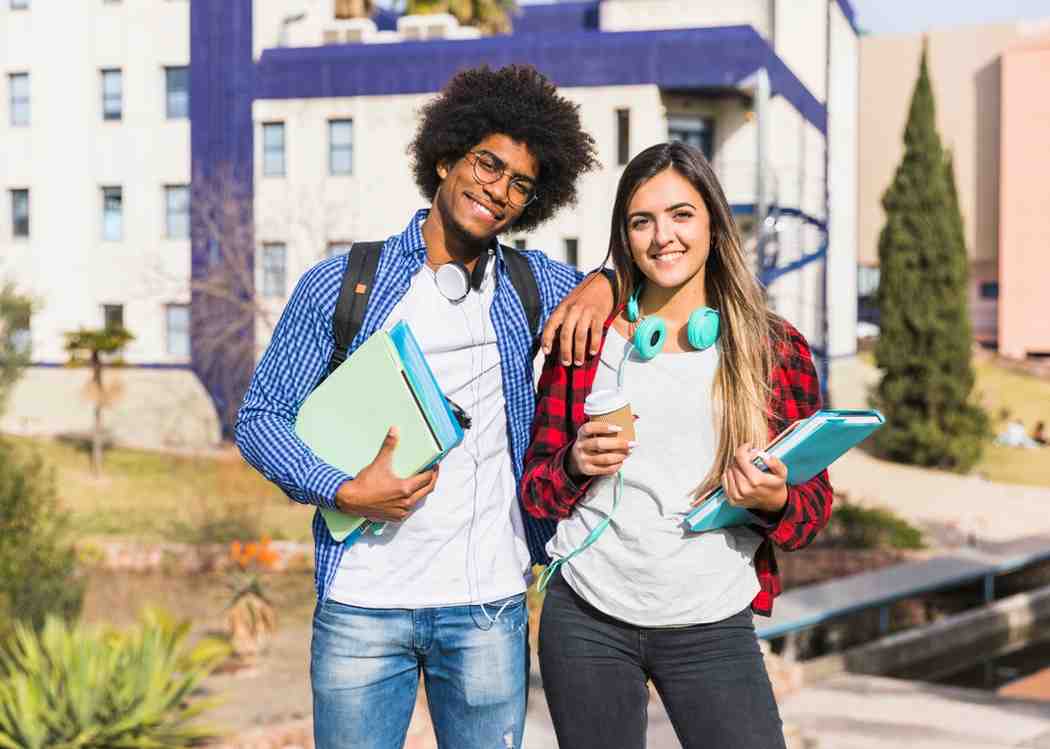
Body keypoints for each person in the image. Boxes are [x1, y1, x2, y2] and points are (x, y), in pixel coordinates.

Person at [235, 65, 613, 749]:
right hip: (362, 608)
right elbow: (260, 417)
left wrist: (606, 282)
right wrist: (346, 489)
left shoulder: (535, 284)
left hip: (487, 608)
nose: (498, 191)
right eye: (487, 165)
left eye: (520, 184)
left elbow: (638, 281)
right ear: (446, 158)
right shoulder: (344, 283)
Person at [520, 141, 834, 749]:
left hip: (712, 620)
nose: (663, 236)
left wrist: (773, 499)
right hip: (588, 618)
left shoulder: (775, 350)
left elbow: (811, 510)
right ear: (625, 237)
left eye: (681, 214)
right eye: (643, 221)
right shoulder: (587, 342)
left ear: (714, 225)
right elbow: (536, 490)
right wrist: (575, 463)